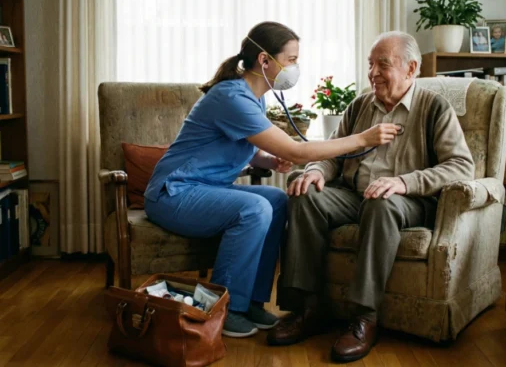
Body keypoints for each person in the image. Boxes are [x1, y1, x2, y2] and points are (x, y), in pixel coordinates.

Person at [144, 21, 401, 338]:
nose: (295, 67)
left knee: (278, 200)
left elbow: (236, 145)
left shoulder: (256, 97)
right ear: (265, 61)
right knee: (253, 208)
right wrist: (362, 139)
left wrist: (266, 158)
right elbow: (297, 151)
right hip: (174, 194)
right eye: (291, 60)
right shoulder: (231, 97)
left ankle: (251, 301)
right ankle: (225, 308)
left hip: (206, 190)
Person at [268, 31, 475, 362]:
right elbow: (333, 154)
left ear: (411, 68)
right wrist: (317, 171)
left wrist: (406, 182)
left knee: (381, 202)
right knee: (303, 192)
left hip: (406, 201)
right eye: (370, 64)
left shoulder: (435, 107)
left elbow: (462, 166)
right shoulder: (360, 105)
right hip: (353, 193)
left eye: (383, 64)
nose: (374, 73)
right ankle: (307, 308)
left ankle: (364, 317)